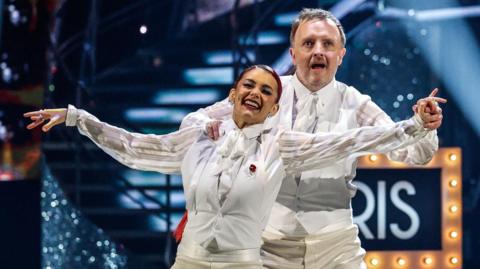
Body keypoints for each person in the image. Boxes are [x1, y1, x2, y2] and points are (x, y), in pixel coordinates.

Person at [25, 65, 440, 269]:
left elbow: (352, 140)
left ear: (276, 107)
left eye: (266, 90)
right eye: (248, 86)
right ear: (233, 93)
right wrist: (78, 118)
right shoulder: (199, 138)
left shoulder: (283, 146)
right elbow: (137, 148)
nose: (255, 93)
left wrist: (414, 125)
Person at [178, 9, 445, 269]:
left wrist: (425, 126)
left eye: (327, 44)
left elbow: (412, 154)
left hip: (337, 249)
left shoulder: (356, 103)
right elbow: (194, 119)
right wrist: (206, 126)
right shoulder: (266, 92)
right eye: (308, 43)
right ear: (294, 54)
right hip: (267, 247)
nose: (318, 50)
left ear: (340, 55)